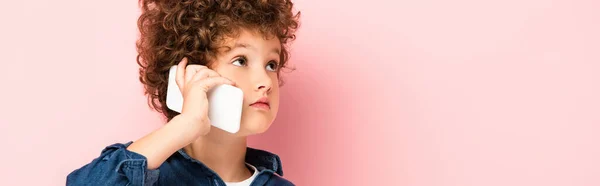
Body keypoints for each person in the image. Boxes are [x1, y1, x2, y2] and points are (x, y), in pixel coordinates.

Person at [67, 0, 300, 185]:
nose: (265, 81)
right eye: (240, 60)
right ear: (190, 73)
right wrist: (185, 124)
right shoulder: (151, 176)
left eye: (271, 64)